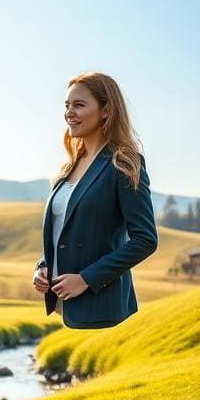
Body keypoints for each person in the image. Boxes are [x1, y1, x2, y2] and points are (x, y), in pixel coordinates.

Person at [32, 72, 158, 329]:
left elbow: (145, 240)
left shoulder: (123, 163)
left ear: (106, 111)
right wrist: (43, 265)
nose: (69, 113)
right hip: (63, 306)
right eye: (67, 106)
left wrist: (87, 279)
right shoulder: (69, 166)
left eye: (79, 105)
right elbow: (64, 232)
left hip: (102, 310)